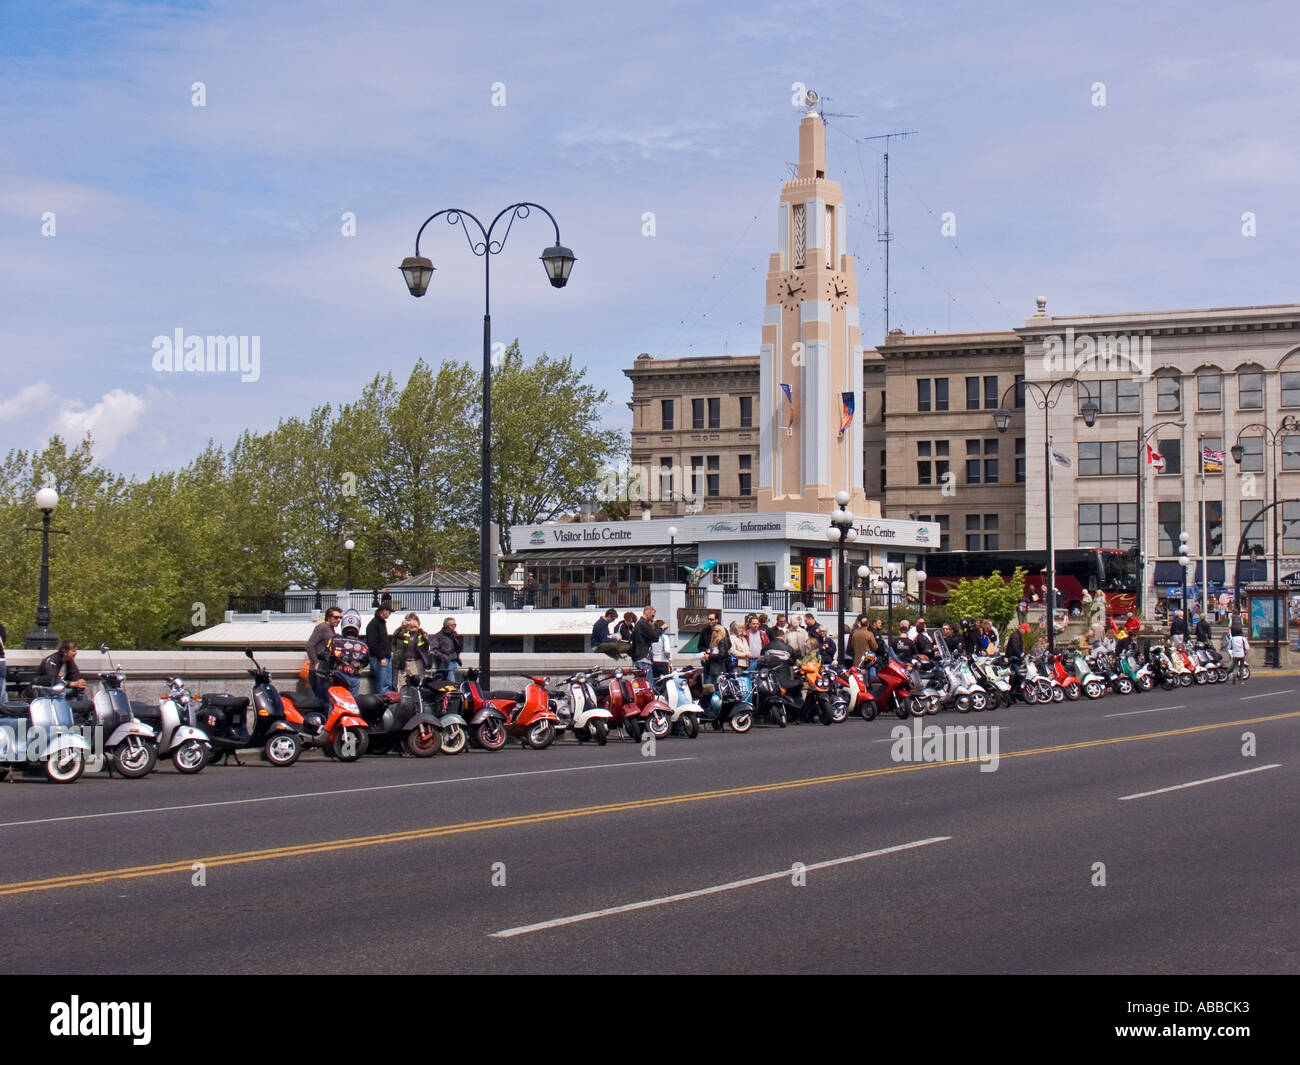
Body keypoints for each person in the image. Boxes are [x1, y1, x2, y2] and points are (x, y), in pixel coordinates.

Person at [323, 613, 369, 697]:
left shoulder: (335, 640)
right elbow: (366, 662)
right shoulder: (363, 644)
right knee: (352, 701)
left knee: (335, 700)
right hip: (354, 676)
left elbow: (326, 655)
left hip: (338, 675)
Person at [306, 607, 342, 700]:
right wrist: (316, 662)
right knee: (322, 701)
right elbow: (309, 645)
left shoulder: (331, 629)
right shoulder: (322, 627)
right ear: (328, 617)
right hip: (318, 672)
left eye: (340, 618)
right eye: (335, 617)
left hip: (325, 671)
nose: (338, 620)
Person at [365, 602, 395, 694]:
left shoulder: (380, 623)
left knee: (387, 684)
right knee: (383, 685)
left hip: (385, 657)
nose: (389, 614)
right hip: (380, 658)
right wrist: (381, 657)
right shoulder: (374, 624)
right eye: (389, 612)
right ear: (383, 611)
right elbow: (373, 643)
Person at [393, 612, 430, 682]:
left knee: (417, 684)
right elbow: (395, 635)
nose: (412, 626)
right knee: (402, 685)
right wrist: (401, 627)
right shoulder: (405, 634)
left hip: (417, 663)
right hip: (404, 663)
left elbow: (427, 642)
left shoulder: (421, 634)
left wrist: (419, 628)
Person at [429, 617, 464, 683]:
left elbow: (457, 648)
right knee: (451, 681)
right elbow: (433, 650)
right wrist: (443, 656)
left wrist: (457, 657)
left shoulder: (453, 635)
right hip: (445, 663)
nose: (454, 627)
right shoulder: (438, 636)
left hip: (454, 661)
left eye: (455, 625)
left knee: (457, 682)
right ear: (448, 626)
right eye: (453, 625)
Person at [631, 605, 659, 674]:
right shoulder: (643, 623)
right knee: (647, 683)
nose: (653, 618)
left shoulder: (638, 624)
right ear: (647, 613)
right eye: (652, 616)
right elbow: (655, 636)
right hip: (643, 658)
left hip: (638, 657)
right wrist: (661, 629)